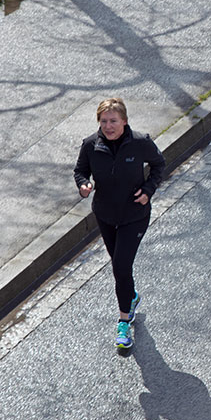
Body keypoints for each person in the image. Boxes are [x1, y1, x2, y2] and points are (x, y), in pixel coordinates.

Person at [74, 98, 165, 349]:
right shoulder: (91, 145)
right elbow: (80, 170)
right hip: (105, 215)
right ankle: (131, 297)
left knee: (121, 267)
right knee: (120, 267)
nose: (108, 126)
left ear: (124, 121)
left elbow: (159, 164)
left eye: (113, 121)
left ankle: (124, 321)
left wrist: (149, 190)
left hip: (134, 215)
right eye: (104, 121)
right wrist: (83, 185)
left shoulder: (140, 142)